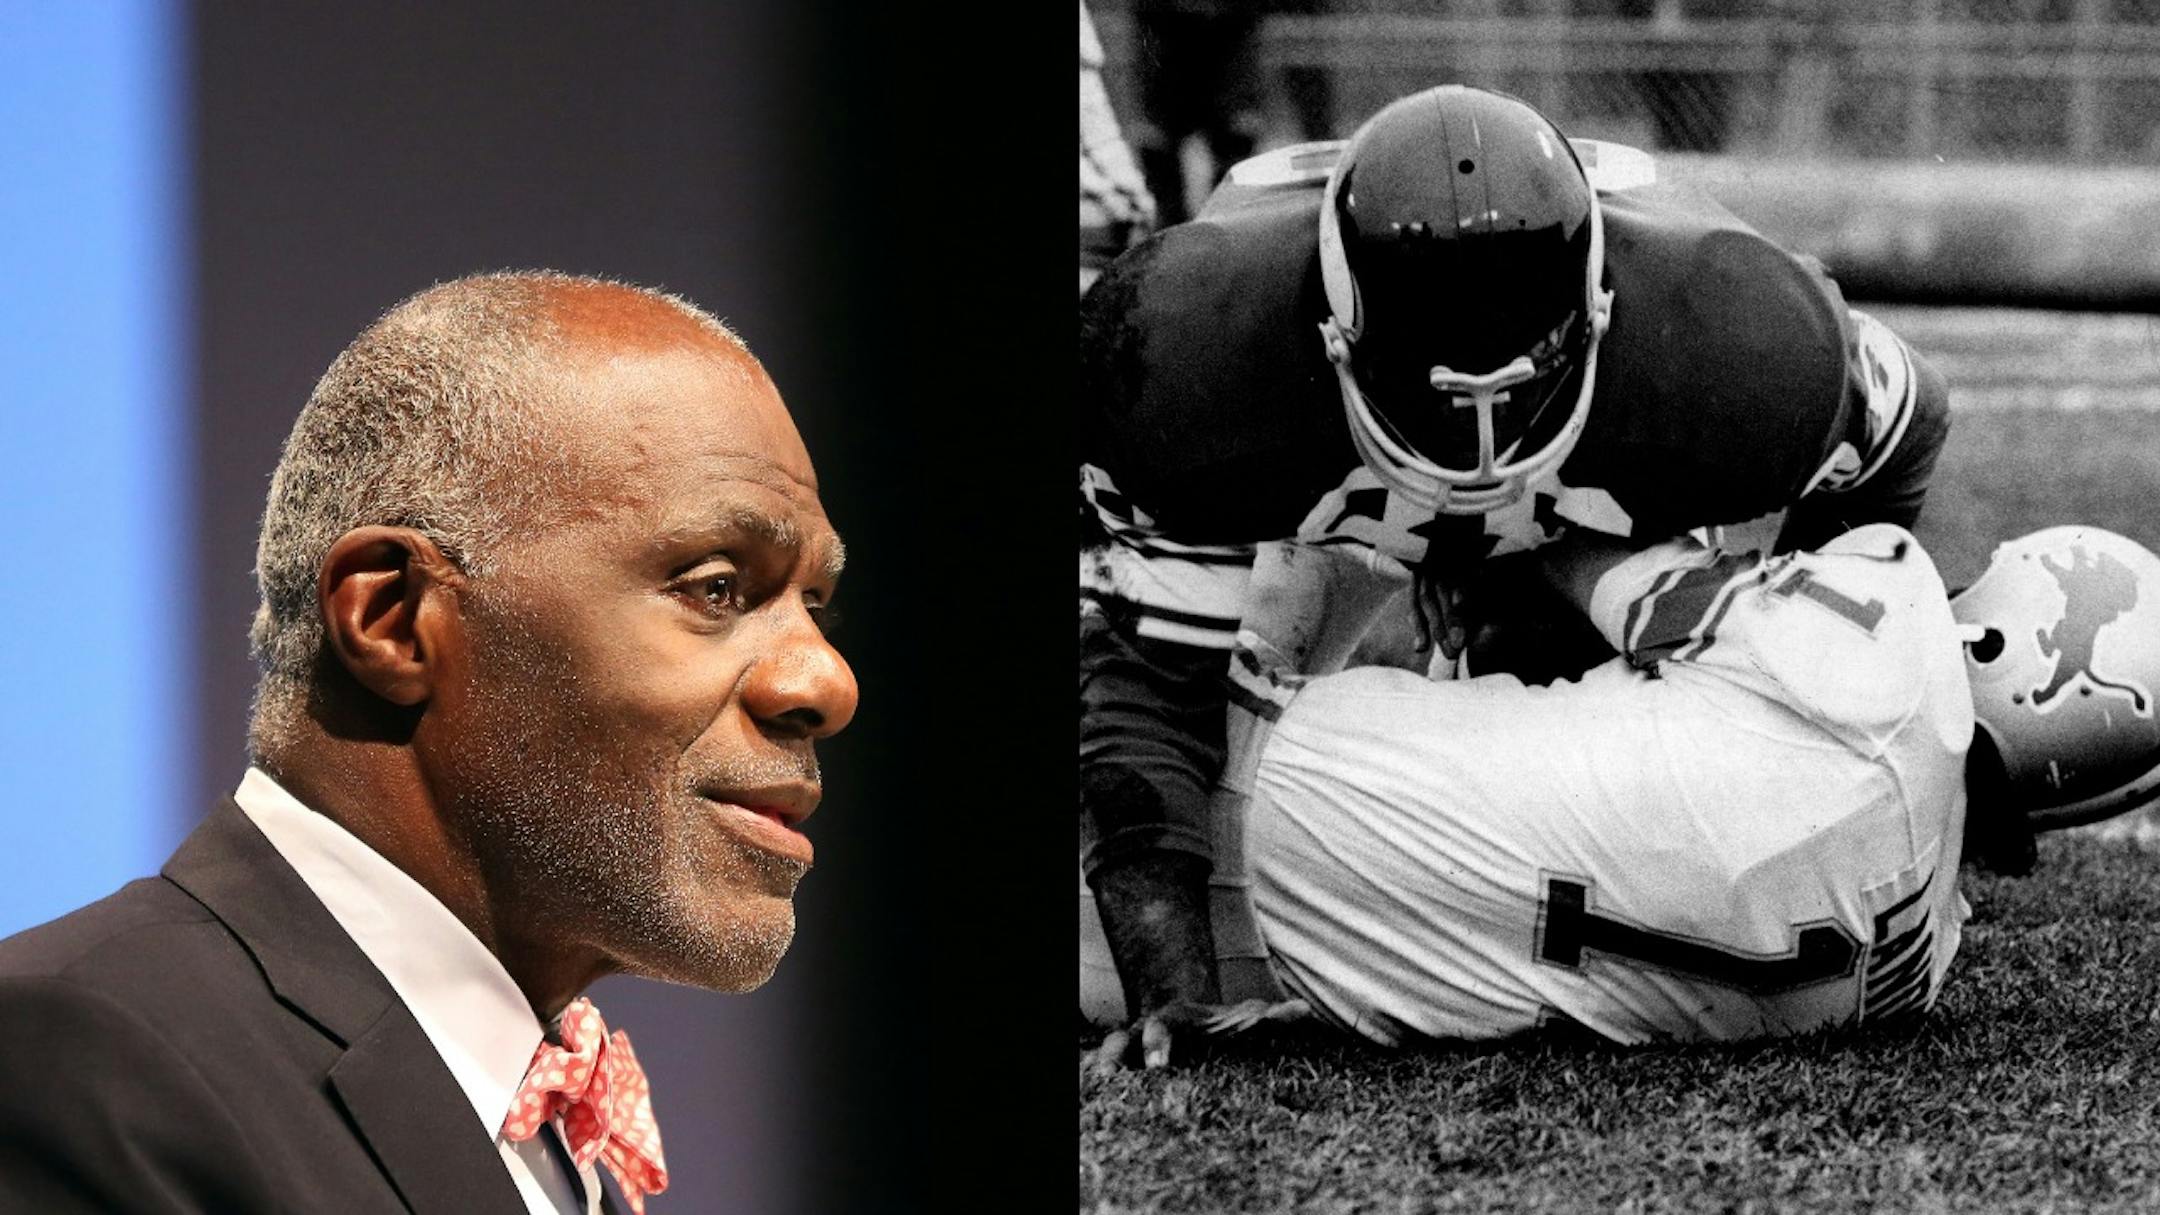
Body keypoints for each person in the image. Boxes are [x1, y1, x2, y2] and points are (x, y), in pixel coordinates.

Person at [1078, 84, 1953, 1046]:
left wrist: (1801, 668)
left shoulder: (1735, 345)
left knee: (1566, 708)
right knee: (1188, 750)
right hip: (1318, 486)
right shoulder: (1193, 365)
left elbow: (1910, 417)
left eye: (1511, 392)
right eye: (1445, 399)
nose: (1481, 446)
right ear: (1331, 333)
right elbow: (1153, 691)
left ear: (1600, 307)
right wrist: (1174, 997)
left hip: (1594, 480)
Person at [0, 272, 858, 1214]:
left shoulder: (543, 1129)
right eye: (715, 586)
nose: (824, 682)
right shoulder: (75, 1059)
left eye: (812, 605)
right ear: (393, 619)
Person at [1084, 524, 2160, 1057]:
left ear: (2007, 629)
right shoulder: (1908, 981)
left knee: (1361, 484)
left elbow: (1570, 537)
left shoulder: (1882, 663)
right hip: (1250, 976)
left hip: (1207, 770)